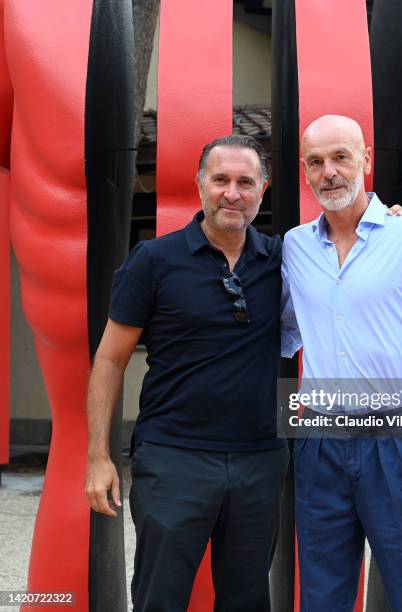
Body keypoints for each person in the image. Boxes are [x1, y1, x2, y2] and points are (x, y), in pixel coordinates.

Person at [84, 135, 290, 612]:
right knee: (160, 598)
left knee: (247, 600)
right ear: (200, 185)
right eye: (220, 180)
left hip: (260, 460)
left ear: (263, 188)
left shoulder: (286, 259)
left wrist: (395, 220)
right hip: (173, 458)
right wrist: (98, 457)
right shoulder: (154, 261)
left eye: (245, 182)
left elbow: (349, 244)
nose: (232, 193)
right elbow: (109, 360)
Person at [281, 115, 402, 611]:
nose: (330, 172)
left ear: (366, 160)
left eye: (341, 156)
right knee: (322, 595)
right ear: (305, 172)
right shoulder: (294, 249)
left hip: (397, 441)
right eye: (316, 162)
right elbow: (279, 334)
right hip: (319, 442)